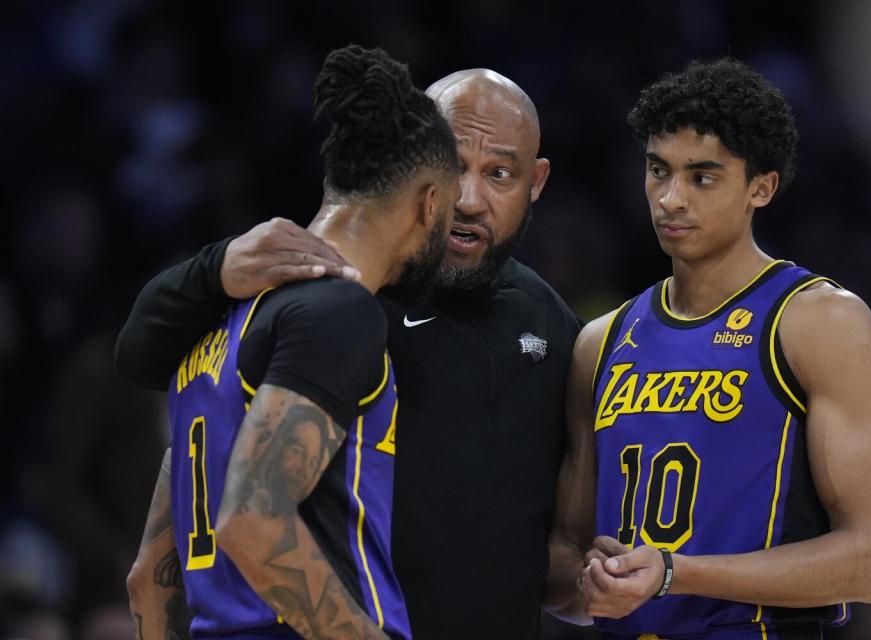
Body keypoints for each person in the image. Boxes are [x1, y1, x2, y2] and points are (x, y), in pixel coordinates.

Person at [117, 67, 582, 638]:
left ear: (535, 181)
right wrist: (214, 268)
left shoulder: (550, 323)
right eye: (454, 167)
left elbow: (151, 573)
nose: (469, 199)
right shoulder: (335, 300)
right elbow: (251, 516)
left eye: (499, 174)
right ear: (418, 177)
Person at [544, 58, 871, 639]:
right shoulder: (600, 342)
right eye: (658, 171)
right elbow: (564, 555)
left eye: (701, 177)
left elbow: (870, 564)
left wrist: (674, 574)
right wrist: (586, 580)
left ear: (761, 187)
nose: (670, 199)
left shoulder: (821, 321)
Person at [124, 44, 459, 640]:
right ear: (430, 203)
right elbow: (252, 518)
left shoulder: (215, 326)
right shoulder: (341, 311)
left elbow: (150, 577)